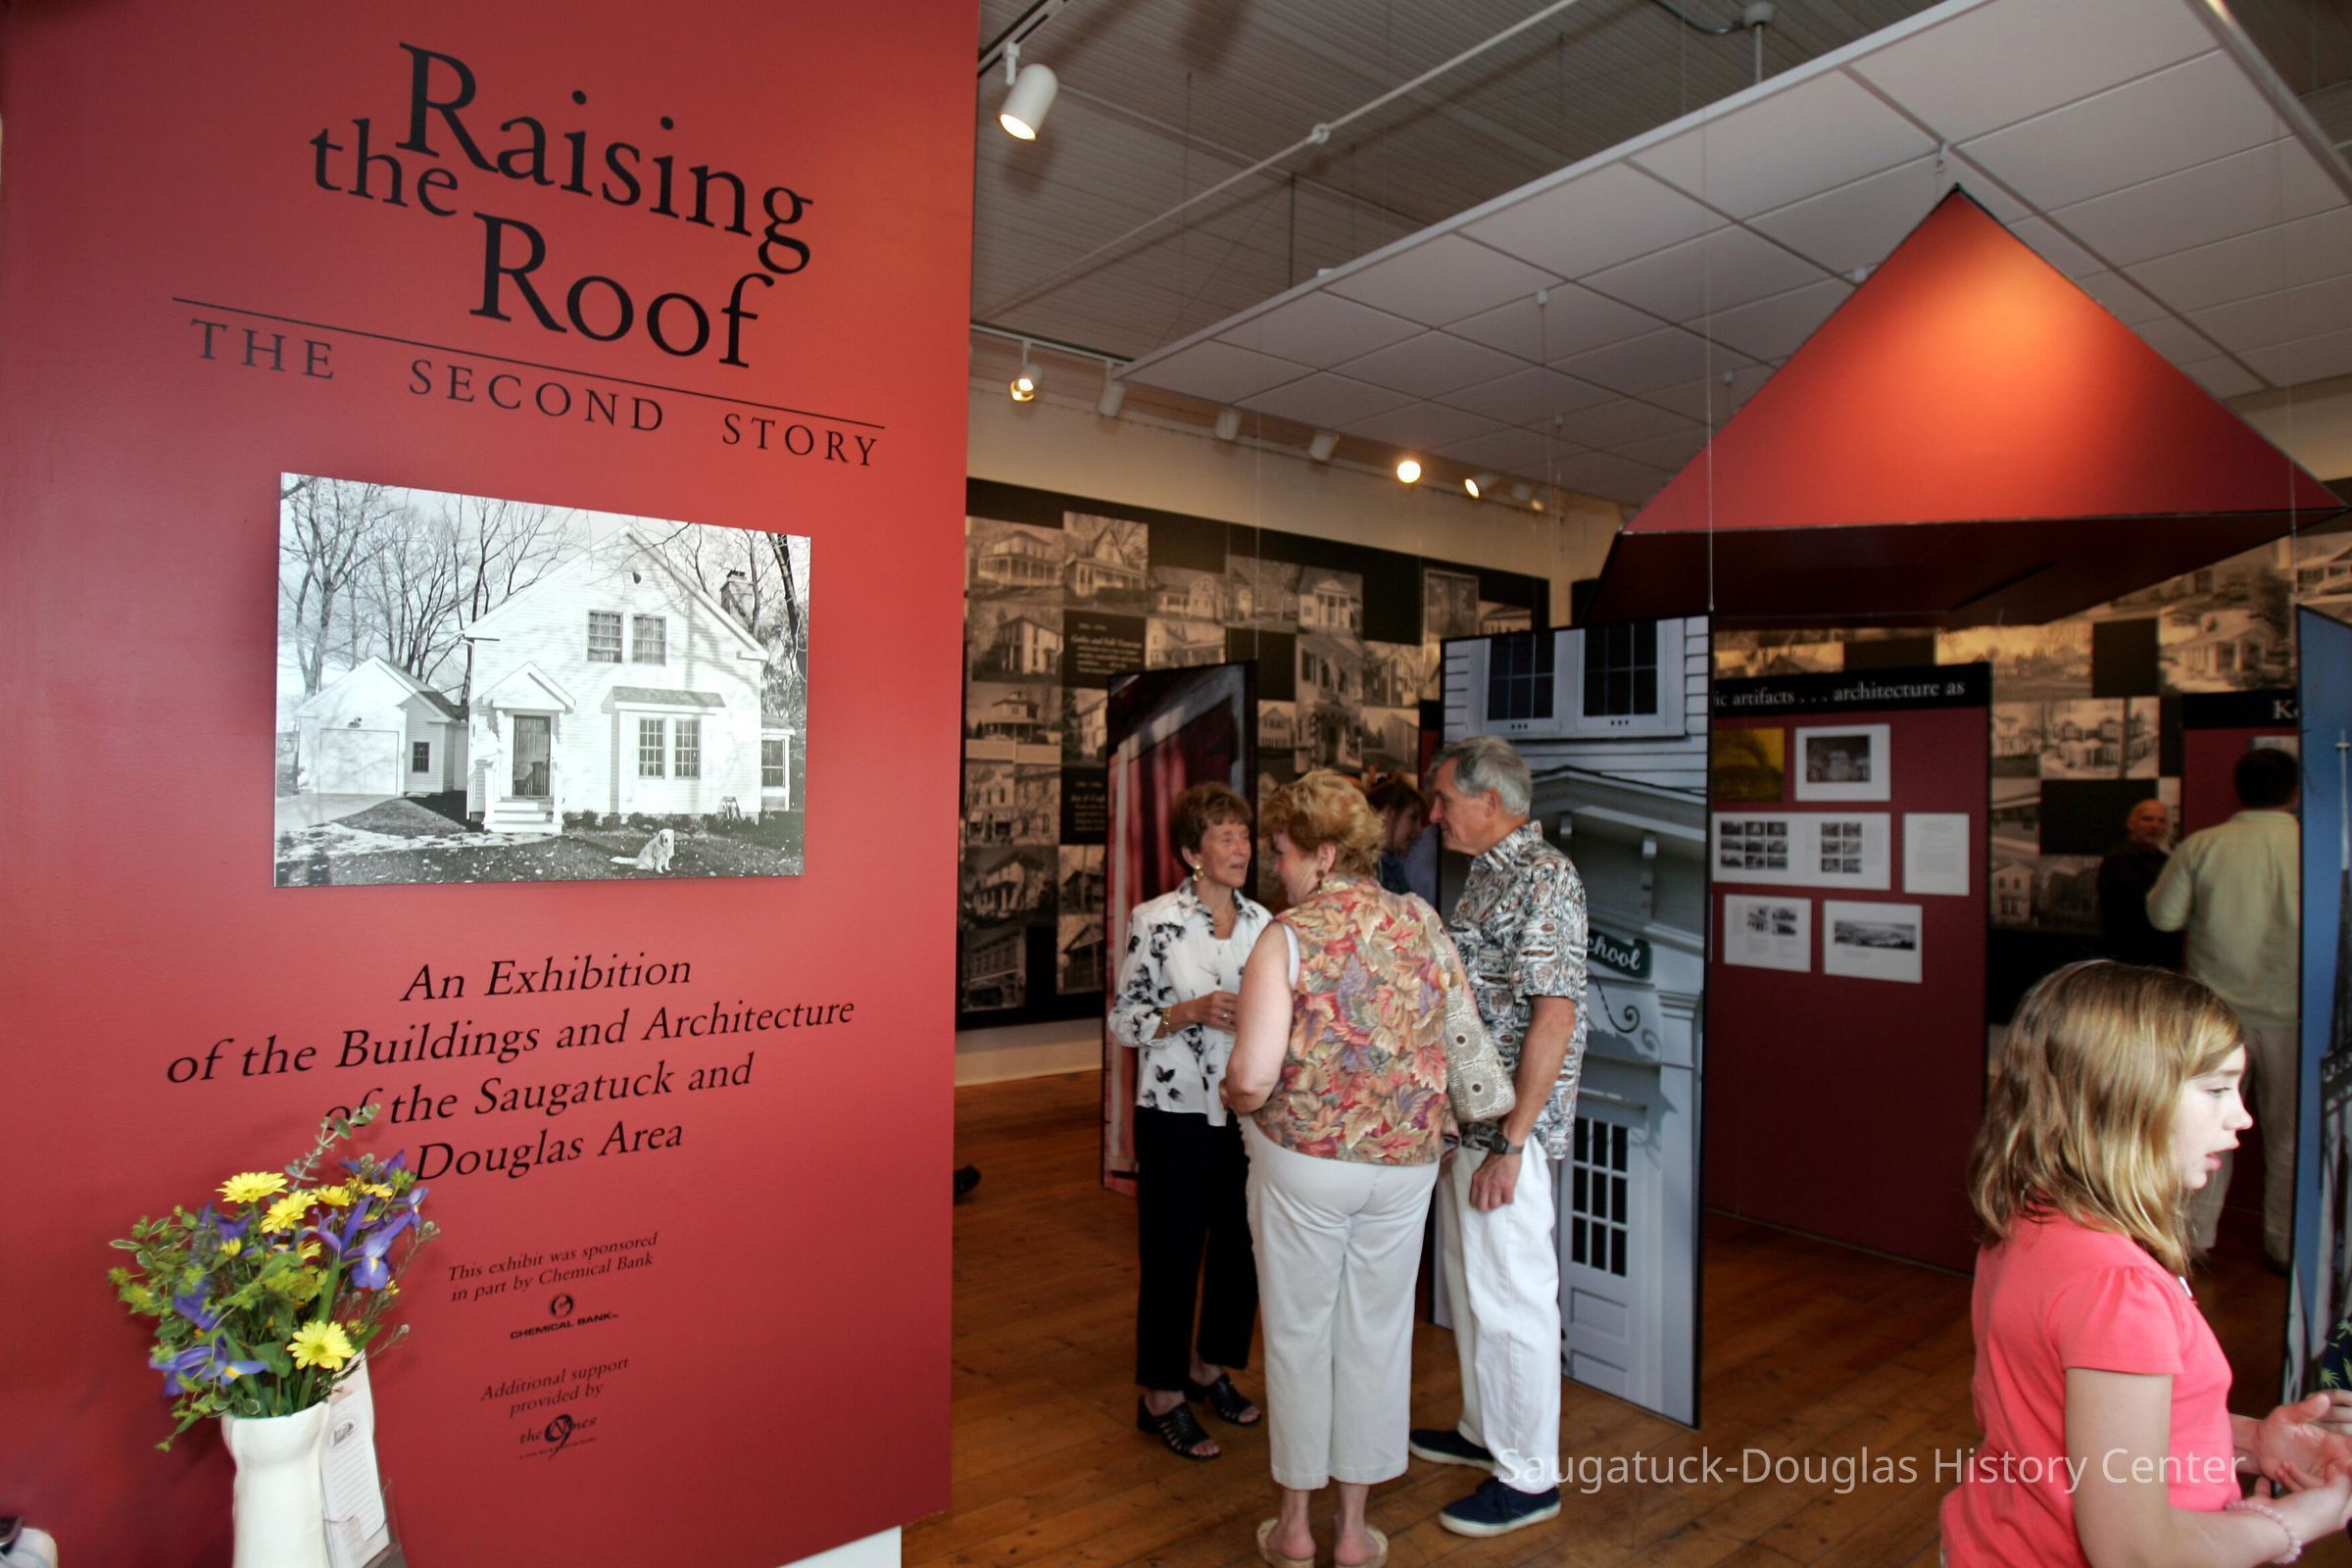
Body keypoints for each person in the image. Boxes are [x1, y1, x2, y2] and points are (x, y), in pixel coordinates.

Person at [1939, 959, 2352, 1566]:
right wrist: (2293, 1522)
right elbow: (2134, 1553)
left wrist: (2251, 1440)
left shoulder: (2032, 1216)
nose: (2242, 1116)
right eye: (2216, 1090)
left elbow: (2091, 1431)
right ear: (2123, 1098)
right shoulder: (2119, 1288)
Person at [1222, 769, 1465, 1568]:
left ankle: (1295, 1526)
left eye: (1283, 852)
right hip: (1405, 1163)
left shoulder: (1287, 935)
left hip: (1308, 1161)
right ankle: (1354, 1532)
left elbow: (1252, 1077)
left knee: (1299, 1333)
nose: (1275, 866)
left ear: (1324, 855)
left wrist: (1231, 1094)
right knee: (1376, 1337)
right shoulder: (1422, 919)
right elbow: (1453, 1036)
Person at [1409, 733, 1586, 1539]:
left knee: (1513, 1296)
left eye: (1444, 799)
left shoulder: (1546, 878)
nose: (1433, 814)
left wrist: (1513, 1143)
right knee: (1474, 1285)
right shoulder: (1488, 873)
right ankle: (1487, 1430)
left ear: (1491, 800)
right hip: (1472, 1125)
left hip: (1507, 1133)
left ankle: (1529, 1475)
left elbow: (1555, 1016)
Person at [1106, 781, 1272, 1460]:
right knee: (1172, 1254)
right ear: (1191, 852)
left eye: (1245, 835)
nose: (1242, 848)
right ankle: (1161, 1395)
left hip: (1246, 1115)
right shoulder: (1155, 920)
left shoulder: (1266, 924)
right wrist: (1190, 1012)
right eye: (1225, 836)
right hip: (1173, 1114)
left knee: (1240, 1248)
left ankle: (1209, 1368)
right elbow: (1124, 1021)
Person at [2150, 746, 2303, 1265]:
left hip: (2215, 1019)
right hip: (2292, 1016)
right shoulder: (2312, 847)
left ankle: (2196, 1240)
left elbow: (2164, 917)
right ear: (2295, 791)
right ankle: (2282, 1244)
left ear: (2239, 790)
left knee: (2204, 1129)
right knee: (2287, 1136)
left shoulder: (2204, 845)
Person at [2098, 797, 2183, 970]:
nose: (2155, 826)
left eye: (2162, 821)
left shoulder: (2165, 860)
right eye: (2148, 819)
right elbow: (2138, 902)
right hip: (2131, 952)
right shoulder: (2119, 859)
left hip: (2161, 953)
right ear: (2131, 824)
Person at [1365, 774, 1437, 905]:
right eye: (1413, 818)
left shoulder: (1390, 865)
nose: (1419, 830)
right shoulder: (1374, 868)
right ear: (1388, 815)